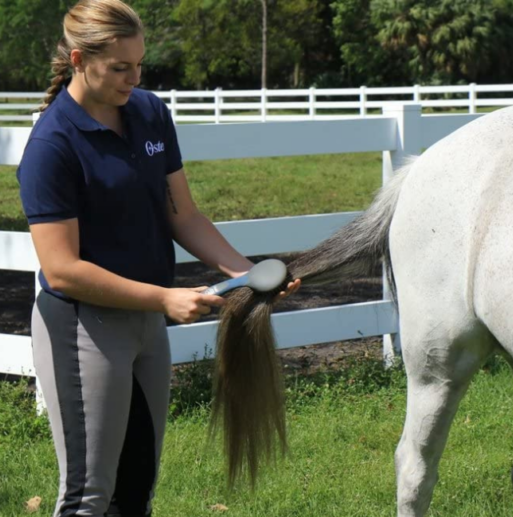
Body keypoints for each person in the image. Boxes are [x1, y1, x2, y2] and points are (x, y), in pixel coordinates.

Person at [16, 1, 300, 515]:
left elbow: (184, 216)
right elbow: (62, 268)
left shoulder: (149, 113)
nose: (134, 78)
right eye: (120, 67)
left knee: (138, 489)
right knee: (88, 496)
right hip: (85, 329)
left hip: (147, 325)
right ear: (79, 59)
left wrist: (246, 274)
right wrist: (164, 298)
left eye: (139, 64)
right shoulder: (52, 145)